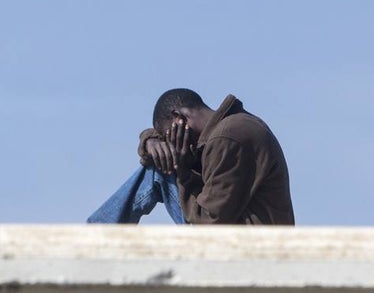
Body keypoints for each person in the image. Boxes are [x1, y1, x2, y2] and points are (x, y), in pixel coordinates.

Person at [88, 89, 294, 225]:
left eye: (170, 135)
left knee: (159, 172)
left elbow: (210, 221)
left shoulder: (227, 138)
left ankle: (93, 240)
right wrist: (150, 140)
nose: (172, 143)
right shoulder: (228, 130)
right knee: (161, 163)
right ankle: (96, 235)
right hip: (237, 234)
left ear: (180, 119)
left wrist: (183, 171)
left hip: (248, 248)